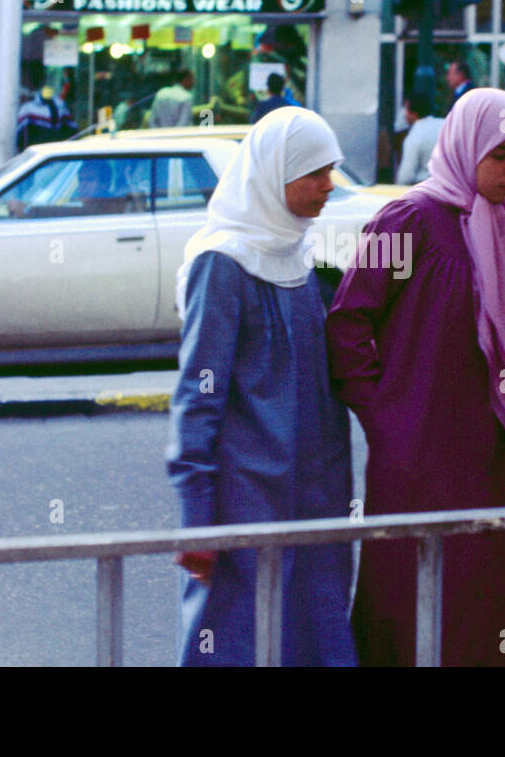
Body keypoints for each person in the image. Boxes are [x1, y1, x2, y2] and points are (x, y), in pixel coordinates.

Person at [327, 88, 505, 666]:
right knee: (411, 590)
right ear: (467, 148)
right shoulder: (410, 218)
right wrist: (387, 419)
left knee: (488, 593)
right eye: (500, 155)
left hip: (497, 449)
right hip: (421, 449)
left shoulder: (501, 222)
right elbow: (349, 321)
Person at [167, 107, 357, 667]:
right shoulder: (223, 263)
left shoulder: (298, 255)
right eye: (314, 172)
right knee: (239, 638)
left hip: (315, 495)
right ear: (276, 175)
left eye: (331, 170)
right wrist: (197, 517)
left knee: (313, 631)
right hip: (246, 503)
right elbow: (197, 397)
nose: (328, 185)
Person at [394, 92, 444, 185]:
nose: (404, 113)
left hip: (425, 186)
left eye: (405, 109)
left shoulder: (414, 137)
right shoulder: (446, 124)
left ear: (414, 115)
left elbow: (406, 176)